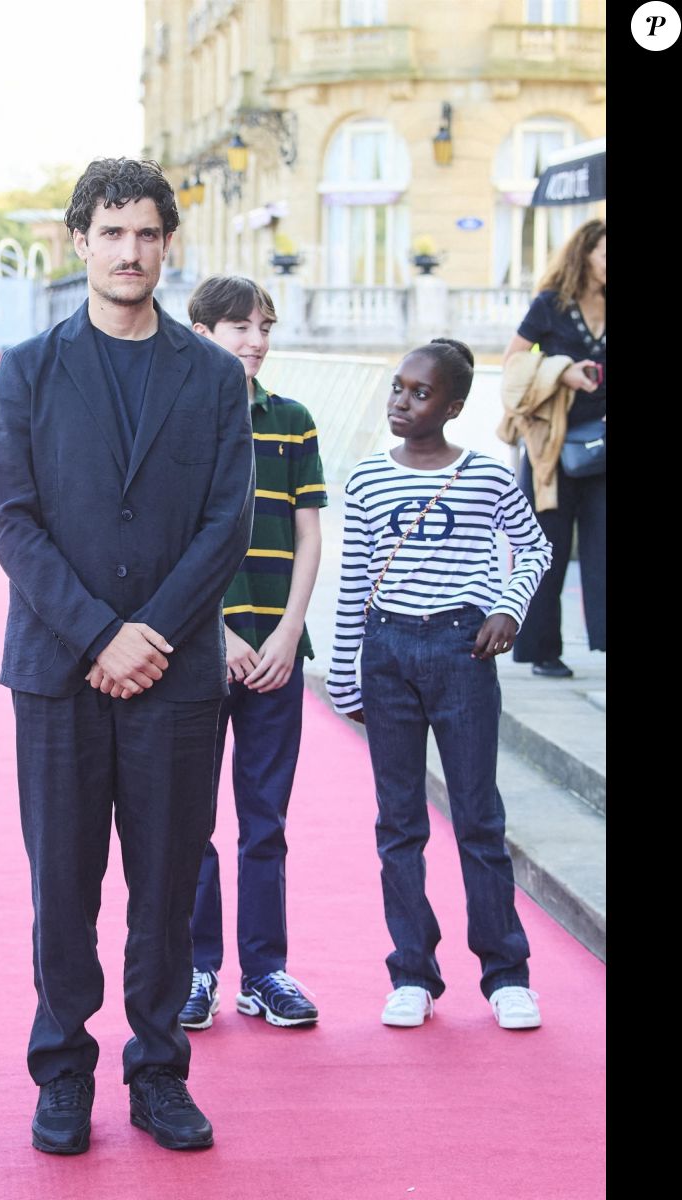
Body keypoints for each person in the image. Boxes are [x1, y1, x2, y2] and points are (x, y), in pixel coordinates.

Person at [0, 159, 255, 1156]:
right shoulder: (28, 368)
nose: (130, 251)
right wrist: (100, 632)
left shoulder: (214, 376)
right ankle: (62, 1073)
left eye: (147, 234)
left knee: (166, 884)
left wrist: (154, 633)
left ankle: (156, 1073)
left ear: (167, 244)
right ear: (79, 241)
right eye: (112, 233)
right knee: (62, 885)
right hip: (57, 672)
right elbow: (11, 522)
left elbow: (226, 523)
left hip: (176, 679)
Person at [326, 338, 552, 1031]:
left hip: (461, 651)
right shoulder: (367, 480)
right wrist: (344, 679)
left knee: (478, 818)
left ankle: (506, 973)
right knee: (399, 823)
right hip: (386, 651)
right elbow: (355, 584)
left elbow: (534, 546)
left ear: (453, 406)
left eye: (420, 393)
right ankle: (412, 974)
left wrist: (508, 607)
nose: (401, 400)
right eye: (398, 387)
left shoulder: (485, 477)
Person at [180, 276, 326, 1032]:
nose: (256, 339)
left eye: (264, 325)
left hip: (278, 653)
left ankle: (263, 971)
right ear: (200, 331)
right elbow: (165, 545)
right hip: (199, 652)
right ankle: (197, 968)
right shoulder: (174, 418)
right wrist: (218, 634)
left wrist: (289, 632)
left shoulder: (292, 421)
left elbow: (308, 535)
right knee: (191, 822)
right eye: (239, 325)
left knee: (265, 821)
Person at [499, 219, 605, 677]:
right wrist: (561, 370)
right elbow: (513, 361)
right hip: (552, 447)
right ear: (583, 256)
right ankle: (541, 650)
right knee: (547, 546)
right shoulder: (551, 306)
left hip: (603, 445)